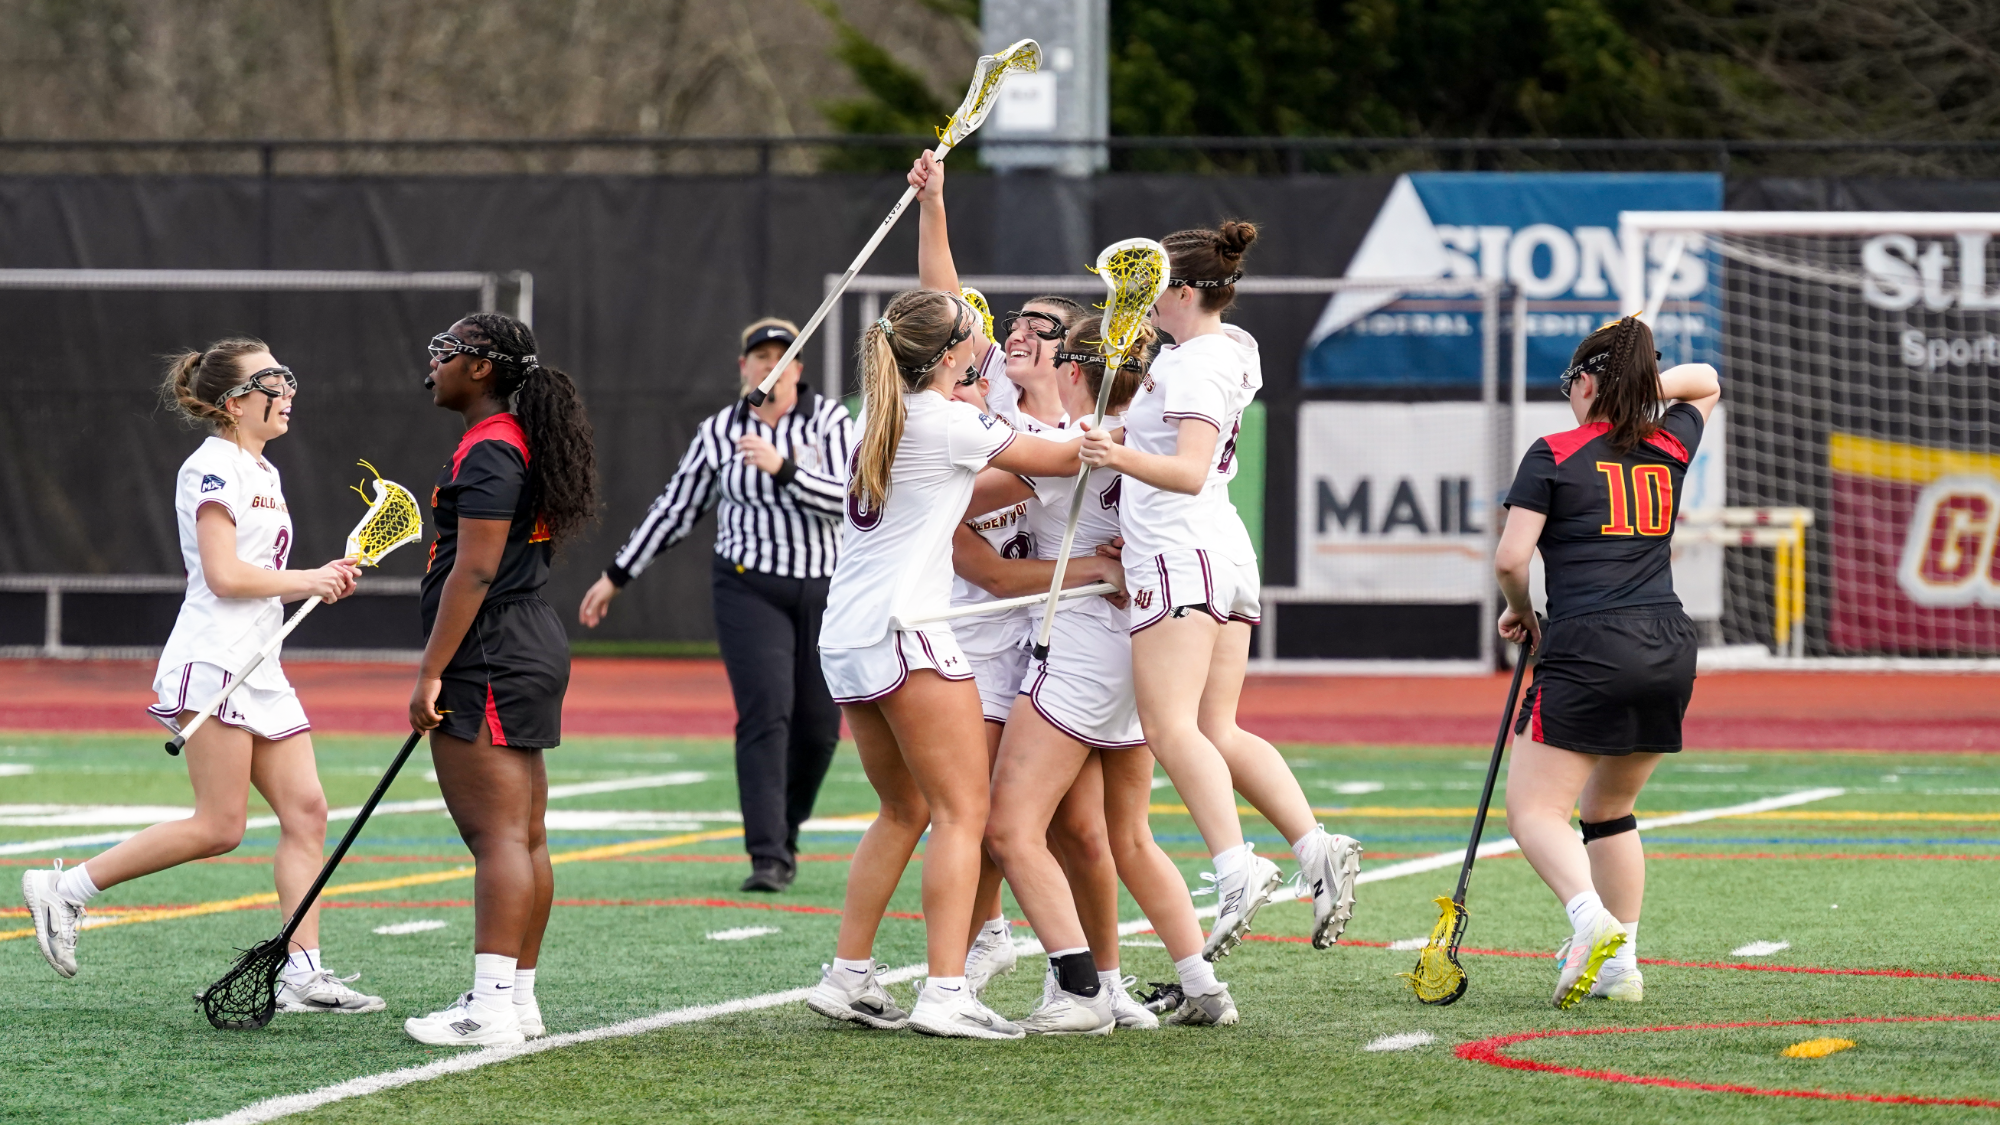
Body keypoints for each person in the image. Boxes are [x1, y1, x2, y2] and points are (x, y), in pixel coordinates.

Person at [19, 339, 379, 1014]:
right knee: (220, 825)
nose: (288, 389)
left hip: (259, 663)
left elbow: (260, 576)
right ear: (235, 401)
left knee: (308, 812)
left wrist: (315, 579)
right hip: (214, 661)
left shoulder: (263, 471)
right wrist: (311, 578)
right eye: (273, 379)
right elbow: (224, 575)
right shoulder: (211, 468)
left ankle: (303, 971)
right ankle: (63, 890)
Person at [802, 288, 1084, 1041]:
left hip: (850, 635)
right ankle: (945, 989)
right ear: (953, 352)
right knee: (965, 813)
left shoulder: (886, 416)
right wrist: (1104, 412)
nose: (987, 338)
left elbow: (983, 486)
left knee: (904, 810)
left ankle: (849, 974)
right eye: (974, 332)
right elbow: (1061, 455)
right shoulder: (950, 420)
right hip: (910, 631)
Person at [1079, 221, 1362, 961]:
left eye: (1148, 287)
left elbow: (1189, 467)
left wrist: (1116, 451)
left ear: (1178, 290)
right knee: (1218, 726)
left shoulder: (1195, 364)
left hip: (1182, 546)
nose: (1135, 300)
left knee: (1170, 725)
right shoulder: (1226, 349)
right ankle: (1315, 846)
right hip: (1217, 549)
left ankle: (1238, 867)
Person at [982, 316, 1227, 1031]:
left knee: (1011, 828)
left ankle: (1079, 986)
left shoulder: (1072, 447)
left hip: (1082, 651)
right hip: (1146, 649)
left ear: (1074, 374)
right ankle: (1194, 981)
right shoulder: (1155, 441)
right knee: (1113, 835)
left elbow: (958, 507)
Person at [898, 148, 1103, 994]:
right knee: (981, 811)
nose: (1014, 332)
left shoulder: (1097, 420)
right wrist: (934, 202)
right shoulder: (993, 407)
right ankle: (989, 936)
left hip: (1067, 632)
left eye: (1037, 327)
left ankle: (1119, 972)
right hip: (984, 622)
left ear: (1073, 355)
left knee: (1086, 827)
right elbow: (946, 300)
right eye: (1009, 323)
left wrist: (1093, 575)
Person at [579, 318, 856, 893]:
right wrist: (616, 575)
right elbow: (675, 508)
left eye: (782, 357)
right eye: (761, 357)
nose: (770, 366)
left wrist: (784, 470)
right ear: (744, 367)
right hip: (748, 585)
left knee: (819, 729)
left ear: (798, 370)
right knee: (766, 712)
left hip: (826, 590)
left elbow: (851, 499)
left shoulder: (830, 421)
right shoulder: (719, 433)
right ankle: (768, 856)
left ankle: (786, 825)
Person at [1494, 315, 1719, 1009]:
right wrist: (1637, 390)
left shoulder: (1553, 452)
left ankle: (1593, 927)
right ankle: (1620, 963)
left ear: (1588, 382)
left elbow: (1510, 558)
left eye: (1574, 384)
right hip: (1668, 643)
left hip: (1590, 641)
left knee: (1533, 812)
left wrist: (1522, 611)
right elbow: (1706, 381)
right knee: (1611, 809)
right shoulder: (1670, 442)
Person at [404, 312, 598, 1047]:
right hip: (522, 640)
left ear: (481, 366)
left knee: (497, 837)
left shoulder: (490, 448)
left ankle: (488, 1007)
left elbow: (476, 568)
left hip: (490, 647)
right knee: (523, 834)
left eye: (444, 350)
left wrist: (430, 670)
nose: (434, 362)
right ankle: (515, 1000)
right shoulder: (511, 440)